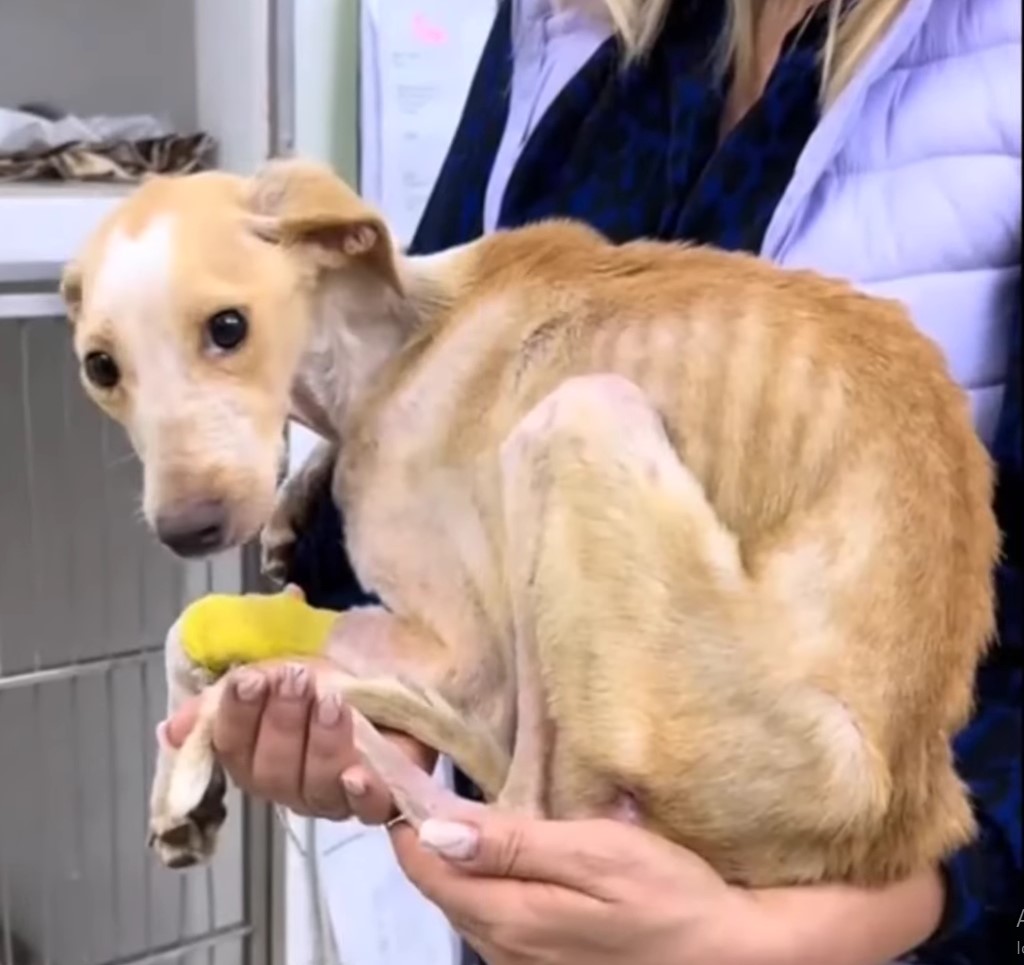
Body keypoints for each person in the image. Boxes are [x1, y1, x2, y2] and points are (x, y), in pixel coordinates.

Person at [167, 1, 1021, 962]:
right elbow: (408, 408)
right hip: (524, 920)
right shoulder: (559, 19)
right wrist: (366, 708)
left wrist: (779, 935)